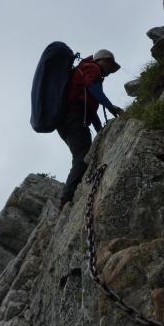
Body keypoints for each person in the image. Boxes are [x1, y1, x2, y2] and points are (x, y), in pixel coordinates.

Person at [56, 49, 124, 210]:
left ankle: (70, 194)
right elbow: (95, 90)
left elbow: (90, 111)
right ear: (103, 60)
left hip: (67, 121)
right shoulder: (92, 68)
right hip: (73, 119)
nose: (110, 71)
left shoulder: (85, 71)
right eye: (110, 65)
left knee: (83, 155)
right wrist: (111, 107)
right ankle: (66, 199)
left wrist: (101, 131)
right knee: (81, 158)